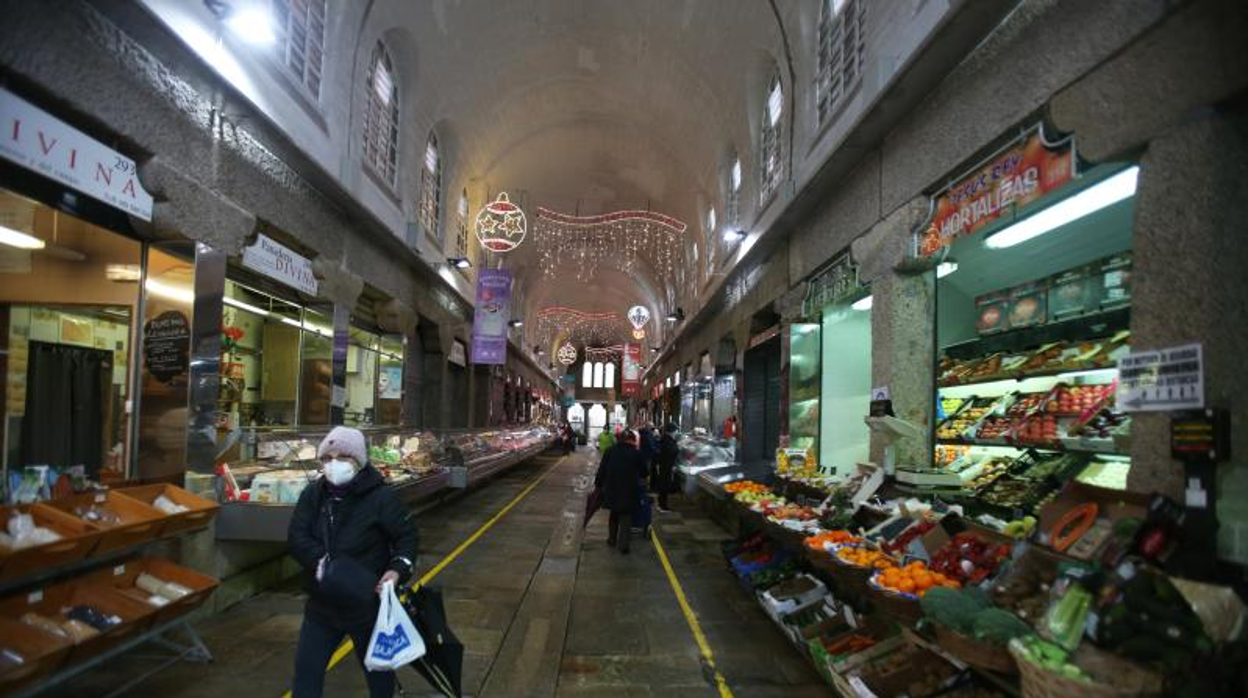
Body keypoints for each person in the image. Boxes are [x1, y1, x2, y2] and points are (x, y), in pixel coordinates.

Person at [288, 426, 418, 698]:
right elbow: (296, 536)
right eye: (327, 457)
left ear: (359, 461)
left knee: (379, 675)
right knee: (306, 673)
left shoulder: (381, 497)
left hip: (366, 607)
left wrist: (396, 571)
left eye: (343, 457)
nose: (334, 463)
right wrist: (322, 564)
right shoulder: (313, 495)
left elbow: (407, 538)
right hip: (321, 606)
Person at [594, 429, 648, 553]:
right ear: (632, 440)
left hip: (612, 488)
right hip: (629, 489)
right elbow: (644, 472)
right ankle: (623, 545)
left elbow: (602, 469)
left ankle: (612, 540)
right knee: (626, 516)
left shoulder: (610, 451)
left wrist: (598, 484)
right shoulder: (637, 453)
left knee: (614, 513)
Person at [656, 423, 680, 512]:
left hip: (665, 466)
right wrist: (678, 448)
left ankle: (662, 504)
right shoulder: (667, 440)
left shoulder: (666, 439)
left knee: (664, 485)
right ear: (672, 431)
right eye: (676, 431)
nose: (676, 432)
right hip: (666, 466)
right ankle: (662, 506)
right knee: (664, 485)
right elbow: (670, 451)